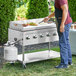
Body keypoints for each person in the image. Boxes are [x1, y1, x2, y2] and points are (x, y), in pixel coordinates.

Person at [43, 0, 72, 68]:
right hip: (67, 22)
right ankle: (68, 61)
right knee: (66, 41)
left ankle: (64, 64)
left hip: (64, 23)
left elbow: (65, 10)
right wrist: (48, 17)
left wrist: (62, 24)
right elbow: (58, 11)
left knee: (63, 42)